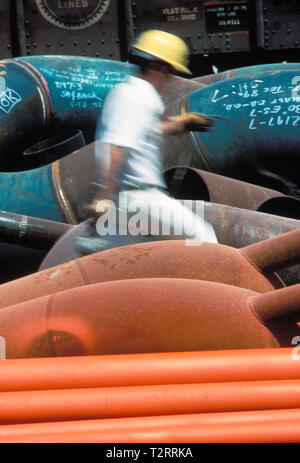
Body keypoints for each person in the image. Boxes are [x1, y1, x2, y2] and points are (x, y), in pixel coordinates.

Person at [77, 29, 218, 254]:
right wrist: (102, 197)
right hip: (139, 198)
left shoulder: (126, 92)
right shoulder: (140, 98)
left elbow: (139, 132)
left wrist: (180, 125)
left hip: (123, 199)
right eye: (171, 72)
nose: (171, 78)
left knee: (117, 262)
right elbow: (118, 146)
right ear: (159, 68)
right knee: (202, 238)